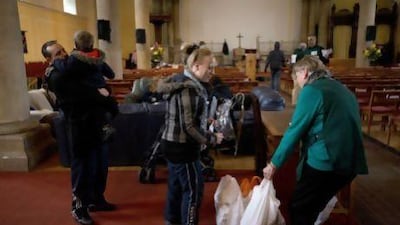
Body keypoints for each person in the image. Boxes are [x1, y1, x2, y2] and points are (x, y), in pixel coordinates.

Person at [263, 55, 368, 225]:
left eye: (296, 77)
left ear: (304, 72)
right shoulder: (342, 88)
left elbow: (294, 131)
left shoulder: (312, 90)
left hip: (327, 161)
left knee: (299, 208)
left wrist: (274, 163)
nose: (297, 83)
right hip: (351, 161)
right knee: (313, 206)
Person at [42, 40, 118, 225]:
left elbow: (100, 81)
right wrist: (102, 96)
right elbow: (84, 95)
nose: (64, 54)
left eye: (63, 50)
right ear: (48, 60)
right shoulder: (55, 75)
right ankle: (79, 208)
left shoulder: (75, 67)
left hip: (96, 122)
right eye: (58, 53)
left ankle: (96, 200)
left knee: (100, 165)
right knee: (83, 169)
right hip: (78, 126)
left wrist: (102, 93)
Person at [157, 47, 224, 225]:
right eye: (209, 67)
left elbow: (184, 115)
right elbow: (189, 126)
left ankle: (171, 220)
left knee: (176, 186)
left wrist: (205, 118)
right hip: (183, 147)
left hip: (171, 143)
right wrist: (212, 138)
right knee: (194, 190)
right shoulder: (190, 89)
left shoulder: (181, 80)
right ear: (195, 66)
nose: (212, 72)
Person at [53, 30, 116, 141]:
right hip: (102, 89)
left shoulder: (75, 59)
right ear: (92, 44)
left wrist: (56, 61)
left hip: (89, 94)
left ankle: (102, 129)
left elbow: (64, 68)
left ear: (76, 45)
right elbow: (111, 74)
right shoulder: (97, 57)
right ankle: (105, 126)